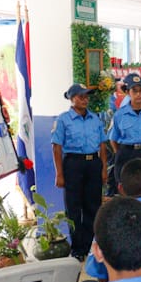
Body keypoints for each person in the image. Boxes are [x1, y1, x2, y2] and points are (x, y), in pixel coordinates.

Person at [51, 83, 108, 260]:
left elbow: (102, 145)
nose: (85, 99)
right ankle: (77, 249)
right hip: (73, 164)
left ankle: (86, 245)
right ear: (71, 98)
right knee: (74, 208)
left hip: (93, 164)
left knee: (93, 207)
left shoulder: (95, 119)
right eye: (80, 96)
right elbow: (57, 147)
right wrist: (59, 173)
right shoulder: (63, 120)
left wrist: (104, 169)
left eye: (86, 96)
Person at [109, 73, 141, 185]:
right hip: (126, 154)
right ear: (127, 92)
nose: (139, 94)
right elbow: (113, 139)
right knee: (126, 187)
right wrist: (122, 152)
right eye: (134, 91)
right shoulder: (119, 115)